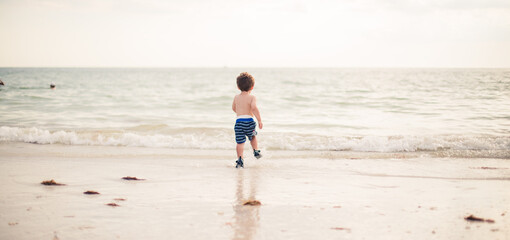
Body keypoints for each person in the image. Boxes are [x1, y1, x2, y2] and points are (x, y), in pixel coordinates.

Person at [232, 72, 263, 168]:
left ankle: (240, 159)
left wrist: (240, 112)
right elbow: (254, 108)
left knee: (240, 142)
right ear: (252, 87)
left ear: (238, 86)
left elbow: (233, 108)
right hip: (249, 121)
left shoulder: (236, 97)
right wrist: (259, 120)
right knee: (252, 136)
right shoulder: (252, 97)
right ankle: (255, 150)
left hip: (239, 122)